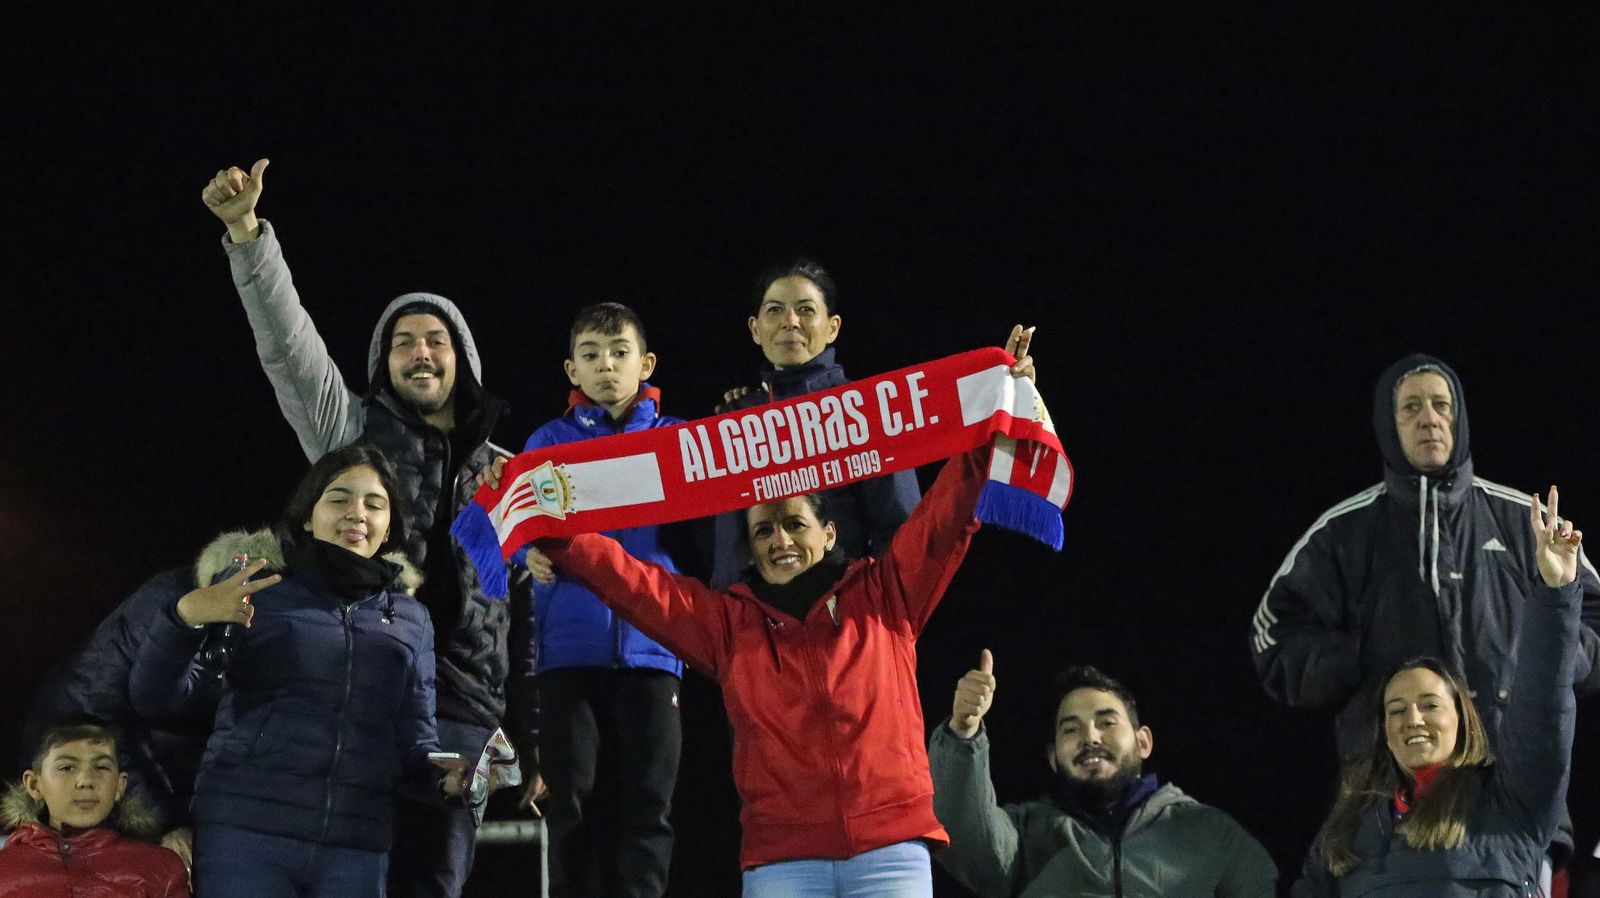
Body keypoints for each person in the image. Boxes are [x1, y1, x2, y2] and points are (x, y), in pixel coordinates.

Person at [521, 326, 1037, 897]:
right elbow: (633, 584)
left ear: (830, 532)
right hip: (784, 863)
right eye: (763, 530)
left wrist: (996, 415)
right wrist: (550, 527)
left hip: (890, 854)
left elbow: (947, 515)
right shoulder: (728, 625)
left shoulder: (885, 595)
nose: (780, 540)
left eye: (795, 523)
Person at [202, 160, 516, 897]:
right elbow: (288, 347)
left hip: (466, 711)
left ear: (462, 359)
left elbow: (530, 603)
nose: (420, 352)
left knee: (434, 883)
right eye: (403, 341)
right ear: (383, 362)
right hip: (363, 690)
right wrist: (248, 235)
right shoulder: (350, 433)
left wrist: (532, 731)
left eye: (435, 339)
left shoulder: (509, 471)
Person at [128, 445, 466, 898]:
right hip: (246, 836)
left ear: (388, 528)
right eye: (339, 498)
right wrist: (182, 618)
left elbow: (415, 741)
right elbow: (157, 699)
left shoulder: (411, 619)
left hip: (356, 847)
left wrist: (448, 777)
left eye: (374, 504)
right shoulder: (255, 588)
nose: (357, 513)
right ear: (308, 517)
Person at [1292, 487, 1584, 896]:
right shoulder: (1348, 826)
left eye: (1429, 705)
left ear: (1462, 719)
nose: (1412, 718)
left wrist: (1554, 594)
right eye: (1396, 710)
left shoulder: (1508, 801)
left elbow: (1543, 707)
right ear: (1383, 732)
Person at [512, 303, 685, 898]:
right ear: (572, 370)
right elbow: (514, 524)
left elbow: (713, 526)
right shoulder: (546, 441)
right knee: (573, 804)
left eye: (619, 353)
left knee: (647, 804)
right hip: (569, 656)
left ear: (646, 364)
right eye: (590, 355)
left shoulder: (678, 439)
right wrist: (526, 555)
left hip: (654, 649)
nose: (606, 365)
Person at [928, 653, 1276, 897]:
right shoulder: (1025, 835)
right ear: (1053, 757)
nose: (1090, 737)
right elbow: (962, 830)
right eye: (1070, 729)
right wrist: (964, 731)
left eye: (1107, 722)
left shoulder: (1208, 831)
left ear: (1143, 742)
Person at [707, 258, 920, 588]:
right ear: (755, 329)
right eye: (775, 310)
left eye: (805, 309)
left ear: (832, 327)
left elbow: (899, 530)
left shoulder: (868, 411)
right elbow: (728, 546)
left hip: (848, 606)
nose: (790, 321)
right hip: (756, 614)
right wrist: (729, 608)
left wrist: (871, 606)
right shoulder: (735, 418)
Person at [24, 568, 218, 872]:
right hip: (108, 781)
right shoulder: (174, 599)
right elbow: (91, 708)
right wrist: (164, 823)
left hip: (160, 786)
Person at [0, 715, 191, 897]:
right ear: (34, 785)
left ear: (120, 785)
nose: (86, 781)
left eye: (101, 767)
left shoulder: (159, 868)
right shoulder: (6, 870)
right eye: (67, 768)